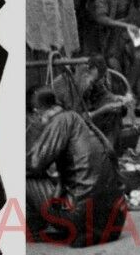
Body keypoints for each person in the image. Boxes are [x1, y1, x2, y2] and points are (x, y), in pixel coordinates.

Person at [26, 87, 127, 245]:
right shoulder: (82, 121)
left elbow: (34, 164)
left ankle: (33, 230)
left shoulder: (60, 121)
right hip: (115, 220)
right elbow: (110, 156)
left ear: (37, 112)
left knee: (21, 178)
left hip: (81, 218)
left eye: (33, 117)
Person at [53, 54, 136, 153]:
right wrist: (102, 110)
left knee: (116, 111)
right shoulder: (66, 84)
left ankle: (110, 152)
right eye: (92, 82)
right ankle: (102, 153)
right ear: (85, 73)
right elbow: (75, 119)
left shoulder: (93, 77)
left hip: (86, 117)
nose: (92, 85)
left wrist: (119, 98)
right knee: (107, 112)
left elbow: (102, 94)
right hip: (68, 127)